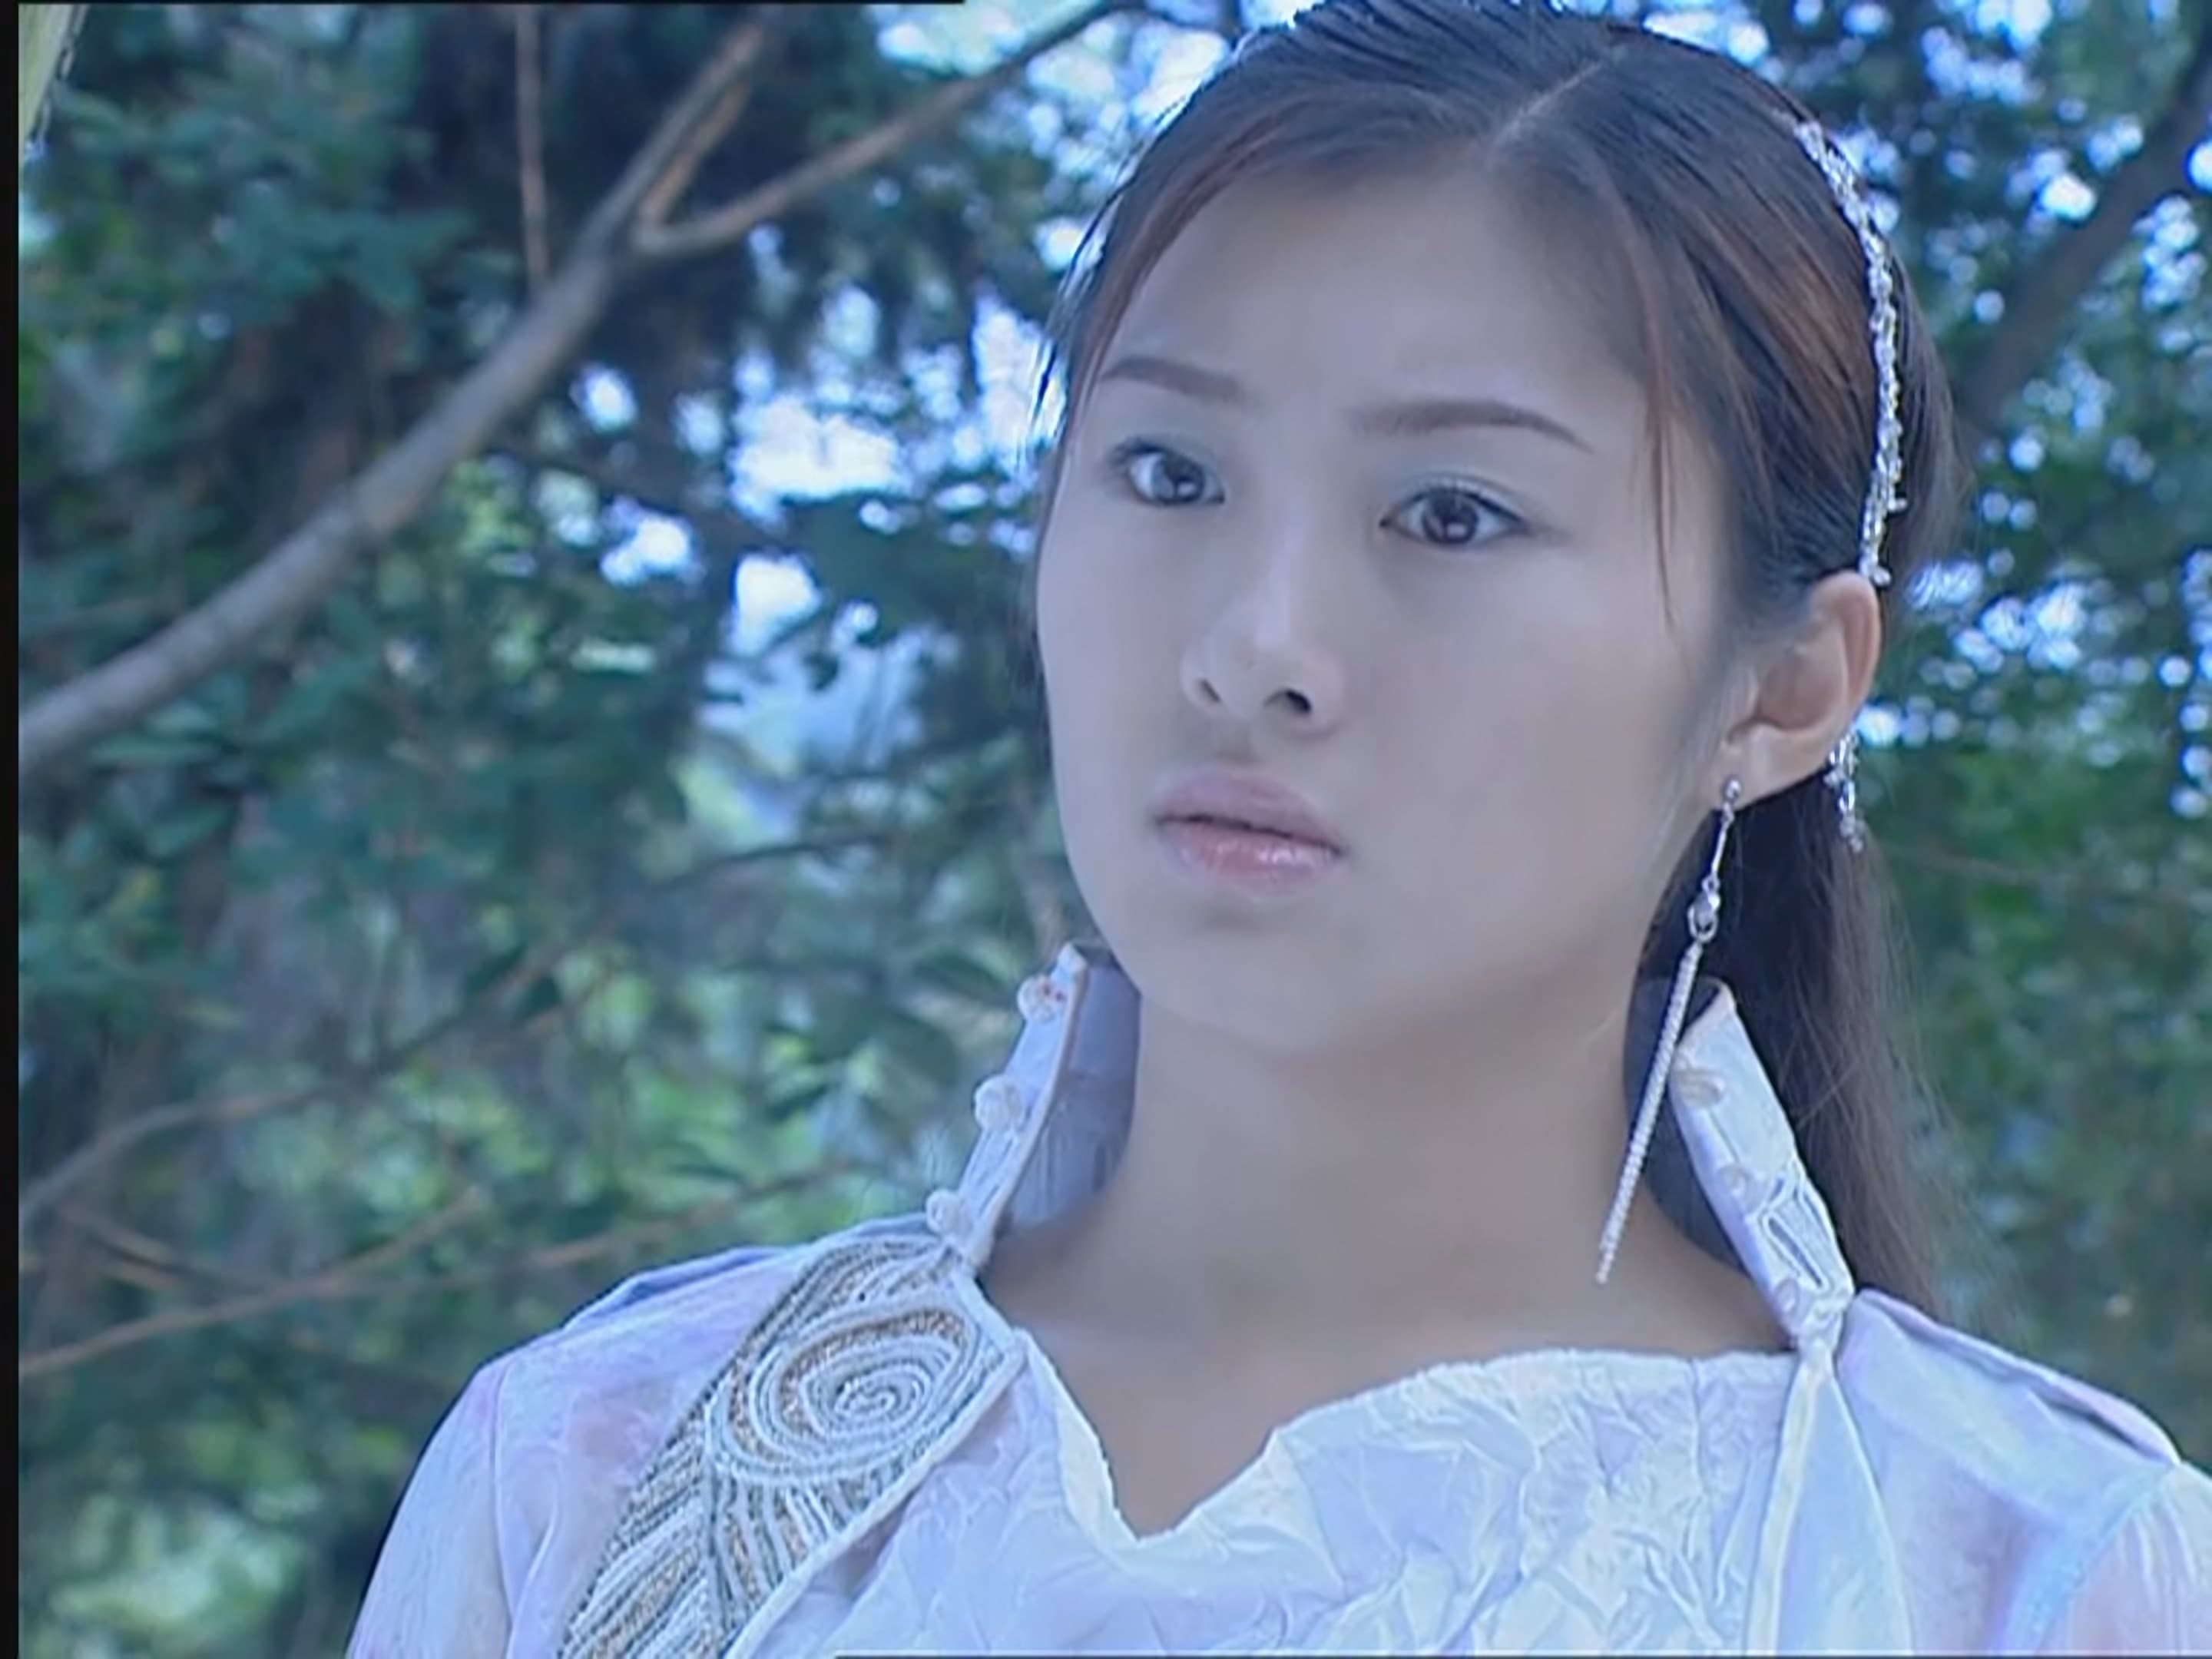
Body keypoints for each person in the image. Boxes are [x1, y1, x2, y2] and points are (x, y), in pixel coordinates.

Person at [349, 1, 2212, 1652]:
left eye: (1453, 514)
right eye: (1170, 473)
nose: (1254, 647)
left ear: (1782, 689)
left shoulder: (2013, 1576)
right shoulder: (603, 1474)